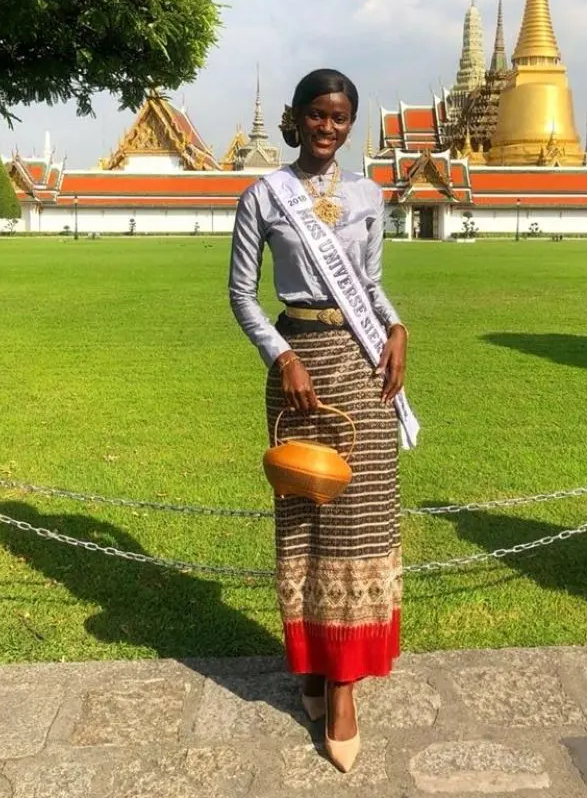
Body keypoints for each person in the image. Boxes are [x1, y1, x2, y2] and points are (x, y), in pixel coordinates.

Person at [229, 68, 409, 773]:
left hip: (363, 368)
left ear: (349, 124)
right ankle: (310, 662)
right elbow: (242, 295)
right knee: (305, 520)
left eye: (339, 118)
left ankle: (342, 687)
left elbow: (372, 285)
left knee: (359, 520)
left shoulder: (368, 194)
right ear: (296, 118)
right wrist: (282, 356)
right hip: (297, 371)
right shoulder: (263, 196)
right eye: (316, 115)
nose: (327, 127)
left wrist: (397, 329)